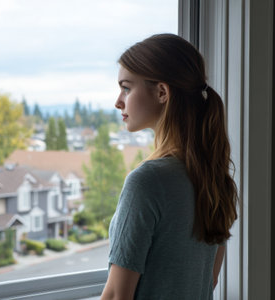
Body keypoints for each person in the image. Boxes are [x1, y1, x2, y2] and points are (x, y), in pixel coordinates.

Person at [100, 33, 238, 300]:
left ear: (162, 92)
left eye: (126, 88)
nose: (118, 101)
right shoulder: (216, 179)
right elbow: (209, 279)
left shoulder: (147, 181)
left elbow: (118, 295)